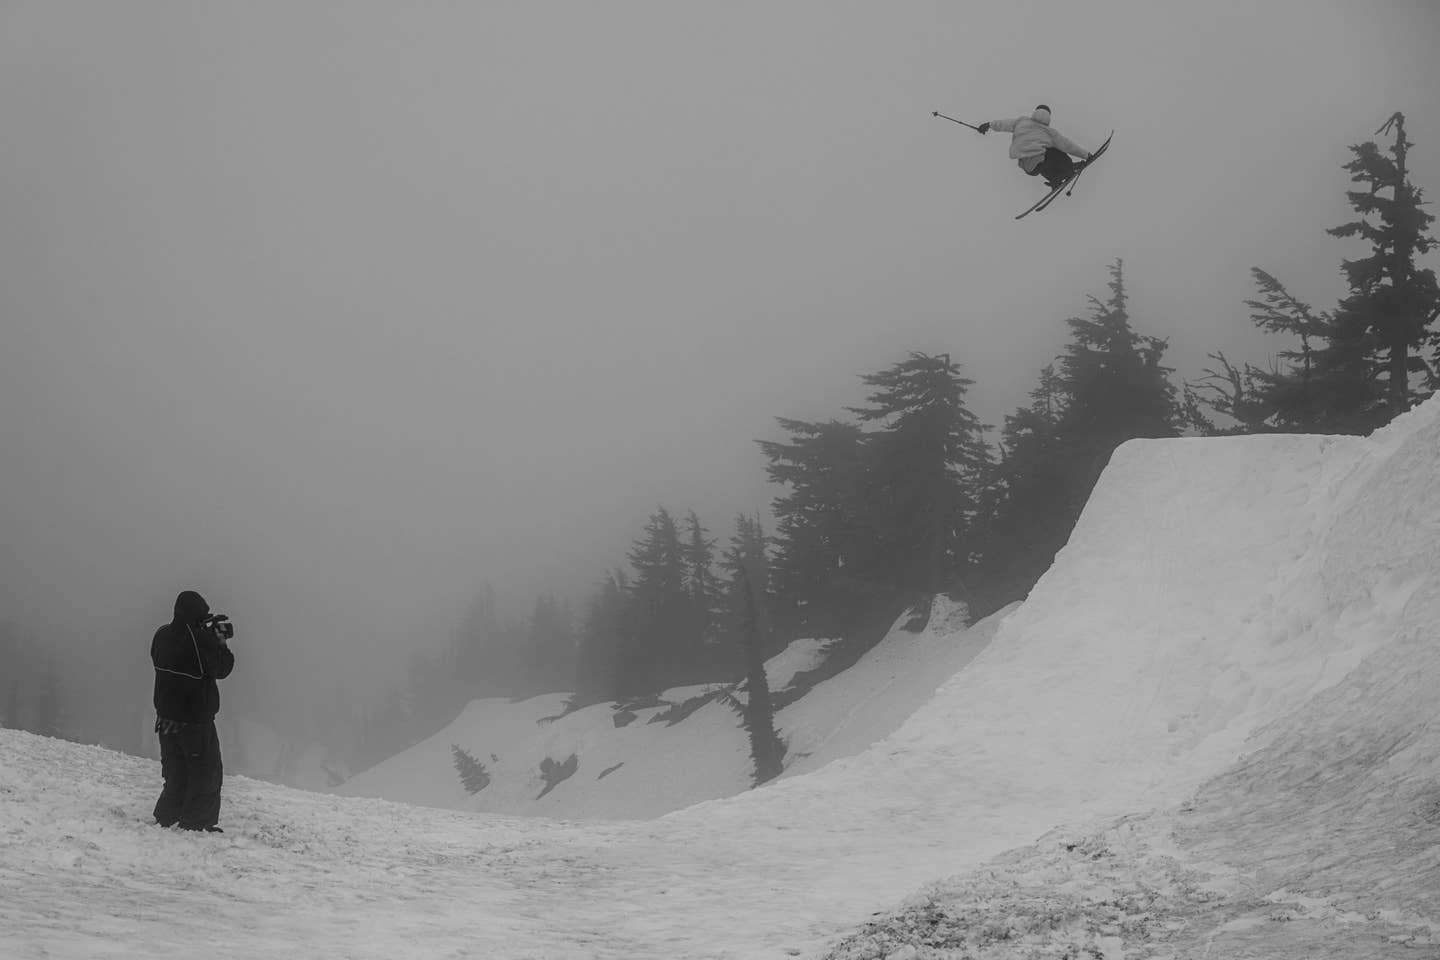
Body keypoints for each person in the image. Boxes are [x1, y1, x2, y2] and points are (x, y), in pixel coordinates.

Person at [151, 590, 234, 832]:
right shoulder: (201, 642)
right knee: (205, 774)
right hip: (195, 722)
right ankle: (197, 823)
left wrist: (204, 634)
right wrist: (220, 641)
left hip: (166, 719)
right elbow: (223, 668)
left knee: (175, 773)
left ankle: (167, 816)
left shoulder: (161, 635)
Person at [978, 104, 1093, 190]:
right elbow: (1067, 145)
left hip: (1028, 167)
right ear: (1049, 118)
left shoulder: (1021, 121)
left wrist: (988, 125)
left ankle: (1057, 178)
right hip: (1041, 159)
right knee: (1057, 152)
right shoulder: (1049, 132)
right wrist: (1086, 155)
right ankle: (1067, 170)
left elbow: (1003, 124)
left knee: (1041, 161)